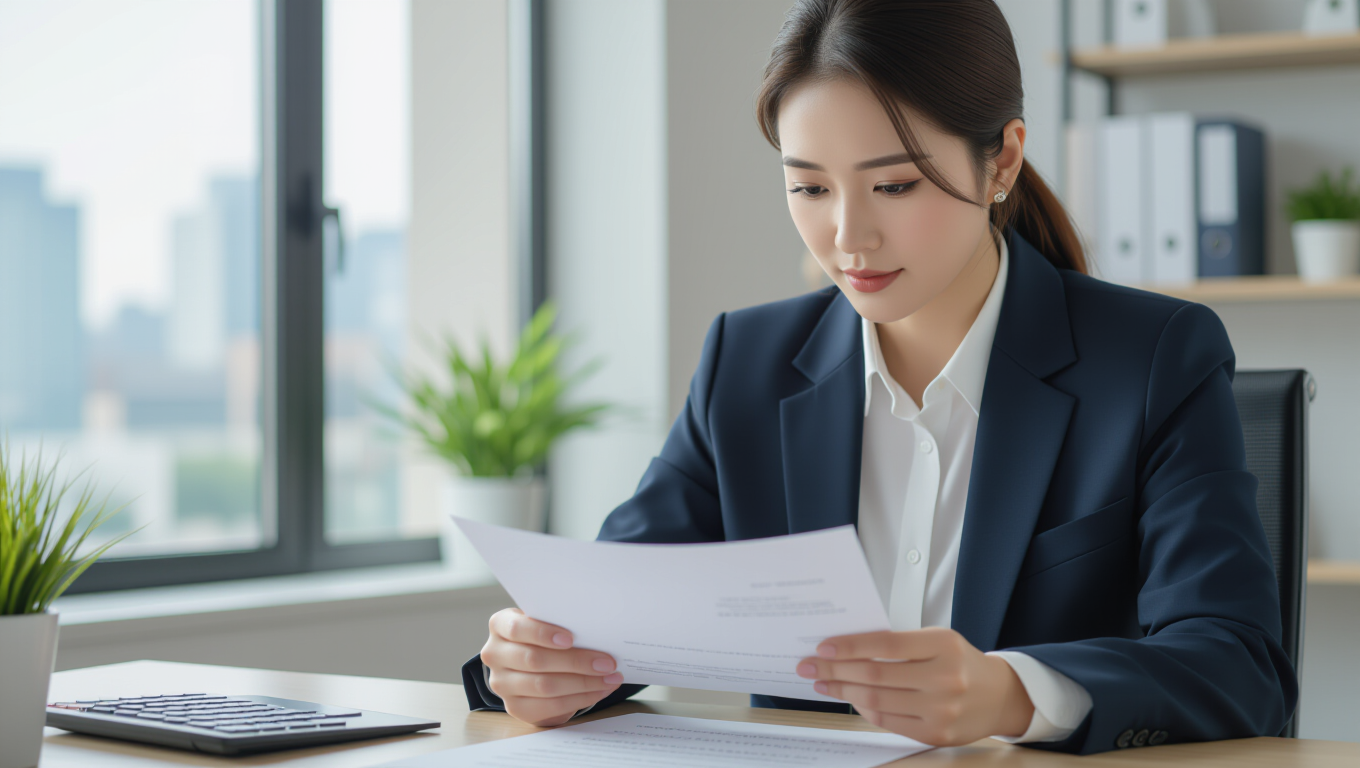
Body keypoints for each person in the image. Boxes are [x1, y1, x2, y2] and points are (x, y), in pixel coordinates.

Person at [462, 0, 1297, 755]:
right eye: (809, 187)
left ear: (1001, 160)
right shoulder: (746, 365)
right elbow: (616, 609)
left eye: (894, 184)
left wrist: (1009, 693)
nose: (848, 236)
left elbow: (1237, 663)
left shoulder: (1153, 357)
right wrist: (540, 665)